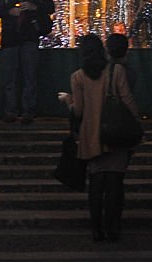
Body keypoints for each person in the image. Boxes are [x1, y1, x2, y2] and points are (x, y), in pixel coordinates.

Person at [58, 34, 141, 242]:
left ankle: (97, 229)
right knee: (115, 182)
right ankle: (113, 227)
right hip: (116, 133)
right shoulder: (116, 71)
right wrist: (137, 126)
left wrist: (68, 100)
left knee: (96, 183)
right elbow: (128, 99)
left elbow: (78, 111)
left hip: (91, 135)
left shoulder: (77, 77)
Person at [0, 0, 55, 123]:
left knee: (30, 75)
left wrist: (34, 7)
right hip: (10, 38)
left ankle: (28, 111)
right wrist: (9, 11)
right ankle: (11, 111)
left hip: (30, 37)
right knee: (10, 76)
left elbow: (50, 7)